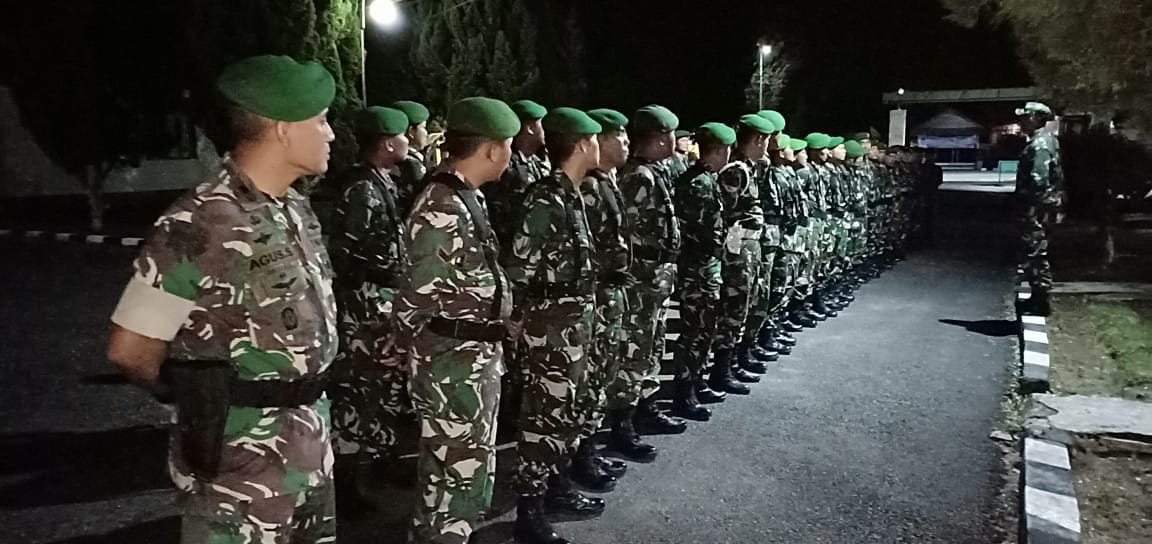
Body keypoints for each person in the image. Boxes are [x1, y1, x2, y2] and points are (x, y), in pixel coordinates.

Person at [106, 55, 339, 543]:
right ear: (282, 129)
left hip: (309, 454)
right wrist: (195, 395)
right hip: (240, 474)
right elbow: (131, 350)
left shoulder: (293, 208)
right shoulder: (199, 220)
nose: (331, 134)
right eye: (320, 121)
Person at [394, 97, 520, 544]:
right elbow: (416, 297)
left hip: (470, 356)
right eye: (508, 146)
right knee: (454, 474)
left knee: (462, 469)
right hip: (452, 364)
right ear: (492, 149)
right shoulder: (442, 205)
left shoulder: (465, 196)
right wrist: (417, 352)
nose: (510, 155)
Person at [506, 107, 604, 544]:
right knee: (542, 417)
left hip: (573, 325)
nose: (599, 146)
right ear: (582, 145)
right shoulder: (545, 198)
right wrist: (517, 325)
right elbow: (520, 269)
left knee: (567, 412)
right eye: (595, 139)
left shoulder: (572, 193)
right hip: (549, 330)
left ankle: (557, 486)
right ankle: (529, 510)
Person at [325, 106, 414, 511]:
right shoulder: (361, 189)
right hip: (363, 307)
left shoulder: (382, 182)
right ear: (388, 143)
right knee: (357, 393)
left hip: (382, 301)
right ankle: (346, 482)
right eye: (403, 137)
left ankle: (382, 458)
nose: (408, 142)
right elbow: (345, 256)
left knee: (386, 386)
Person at [606, 104, 685, 460]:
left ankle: (644, 408)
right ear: (660, 139)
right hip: (641, 280)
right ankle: (621, 426)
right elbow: (623, 232)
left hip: (655, 278)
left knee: (651, 347)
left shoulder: (652, 171)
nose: (674, 142)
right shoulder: (638, 176)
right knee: (634, 352)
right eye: (670, 135)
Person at [575, 108, 634, 483]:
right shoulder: (588, 187)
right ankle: (582, 457)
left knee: (602, 376)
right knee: (590, 379)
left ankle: (591, 450)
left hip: (611, 293)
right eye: (619, 136)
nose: (626, 142)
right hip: (596, 296)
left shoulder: (608, 180)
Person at [670, 122, 734, 421]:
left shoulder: (703, 179)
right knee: (694, 332)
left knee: (704, 330)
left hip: (705, 267)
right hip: (697, 269)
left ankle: (695, 382)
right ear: (719, 150)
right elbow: (704, 232)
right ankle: (684, 393)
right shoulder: (699, 184)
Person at [712, 113, 777, 394]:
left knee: (747, 305)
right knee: (733, 310)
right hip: (737, 249)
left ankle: (735, 361)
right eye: (766, 140)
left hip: (749, 247)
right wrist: (732, 248)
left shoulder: (751, 168)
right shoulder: (736, 171)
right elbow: (724, 213)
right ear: (759, 139)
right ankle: (721, 371)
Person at [1014, 101, 1063, 315]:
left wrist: (1027, 204)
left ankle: (1041, 301)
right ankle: (1037, 297)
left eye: (1025, 117)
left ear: (1035, 118)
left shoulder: (1039, 145)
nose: (1021, 122)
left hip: (1038, 208)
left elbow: (1038, 180)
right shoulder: (1047, 140)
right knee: (1037, 251)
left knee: (1035, 252)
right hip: (1044, 206)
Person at [392, 100, 432, 212]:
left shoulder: (391, 159)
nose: (427, 133)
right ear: (411, 132)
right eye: (424, 127)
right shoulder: (411, 164)